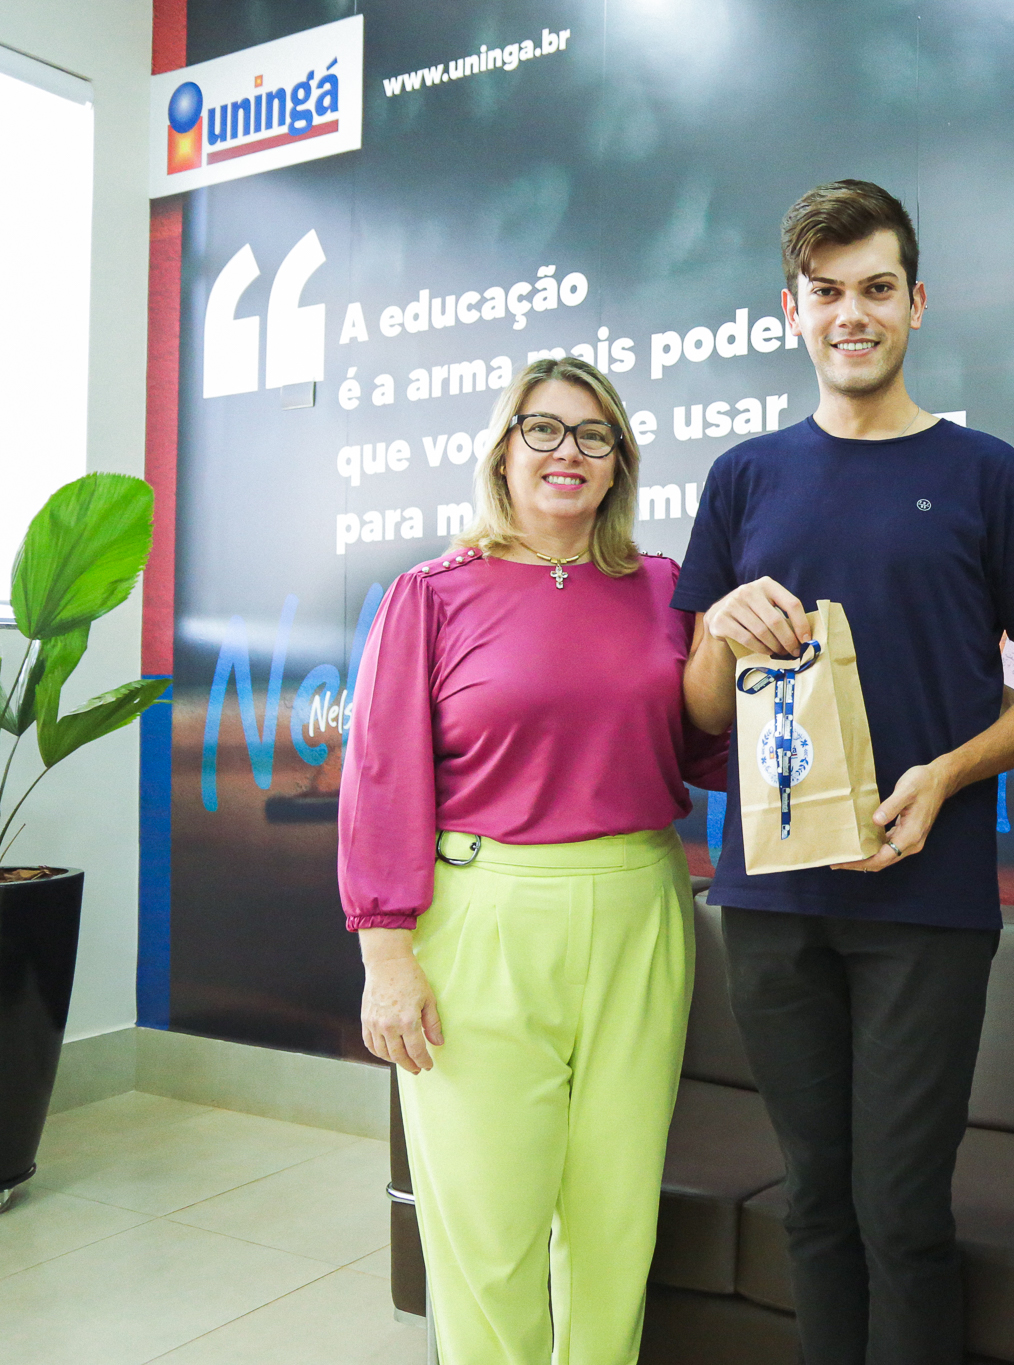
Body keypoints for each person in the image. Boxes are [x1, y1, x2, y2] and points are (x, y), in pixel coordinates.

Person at [674, 180, 1014, 1365]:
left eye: (876, 289)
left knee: (901, 1214)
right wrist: (718, 632)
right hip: (770, 900)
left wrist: (944, 776)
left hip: (926, 900)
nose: (851, 313)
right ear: (790, 309)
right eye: (826, 292)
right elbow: (699, 711)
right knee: (812, 1202)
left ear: (916, 303)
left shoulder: (986, 474)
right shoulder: (743, 477)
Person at [341, 356, 728, 1364]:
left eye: (595, 435)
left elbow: (705, 750)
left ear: (619, 463)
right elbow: (381, 776)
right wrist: (386, 957)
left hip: (642, 908)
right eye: (544, 429)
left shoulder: (667, 590)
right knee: (488, 1227)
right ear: (503, 450)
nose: (569, 452)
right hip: (484, 916)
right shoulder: (431, 594)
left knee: (614, 1219)